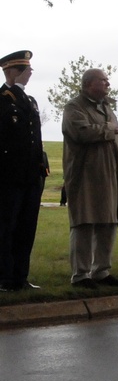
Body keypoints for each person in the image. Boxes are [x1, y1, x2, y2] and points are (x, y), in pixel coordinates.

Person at [62, 68, 118, 289]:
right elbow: (82, 133)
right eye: (103, 81)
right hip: (86, 176)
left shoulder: (107, 107)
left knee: (108, 223)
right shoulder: (74, 107)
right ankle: (80, 274)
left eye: (108, 81)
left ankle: (101, 271)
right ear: (89, 84)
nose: (108, 84)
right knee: (85, 223)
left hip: (110, 175)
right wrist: (109, 129)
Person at [0, 50, 47, 292]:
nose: (29, 74)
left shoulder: (30, 101)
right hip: (8, 177)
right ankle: (5, 278)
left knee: (26, 229)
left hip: (30, 176)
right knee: (7, 228)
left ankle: (21, 276)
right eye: (24, 70)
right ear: (10, 71)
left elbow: (34, 139)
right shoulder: (3, 100)